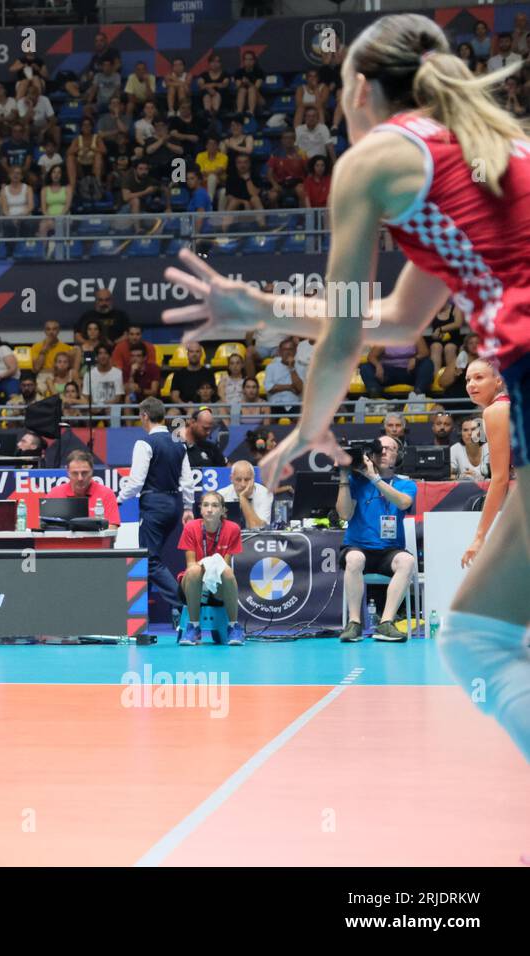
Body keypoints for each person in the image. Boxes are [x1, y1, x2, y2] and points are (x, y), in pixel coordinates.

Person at [163, 17, 530, 754]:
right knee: (478, 637)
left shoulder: (376, 160)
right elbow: (393, 320)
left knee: (479, 641)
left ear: (359, 88)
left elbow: (343, 335)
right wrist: (263, 309)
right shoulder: (486, 155)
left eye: (337, 90)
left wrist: (309, 426)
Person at [116, 398, 194, 621]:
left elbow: (136, 482)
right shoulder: (179, 443)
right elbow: (187, 481)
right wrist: (187, 507)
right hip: (174, 506)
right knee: (152, 558)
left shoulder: (144, 443)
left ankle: (183, 604)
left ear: (144, 416)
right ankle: (137, 614)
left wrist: (118, 499)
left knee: (148, 559)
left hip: (154, 505)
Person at [334, 436, 417, 642]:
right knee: (354, 559)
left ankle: (385, 623)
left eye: (391, 449)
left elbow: (404, 502)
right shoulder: (356, 481)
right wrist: (344, 477)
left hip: (389, 551)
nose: (384, 452)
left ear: (399, 456)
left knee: (407, 561)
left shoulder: (405, 484)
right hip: (358, 546)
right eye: (380, 448)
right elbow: (344, 514)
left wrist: (375, 479)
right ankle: (354, 623)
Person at [459, 359, 512, 566]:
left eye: (479, 378)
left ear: (498, 381)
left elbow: (500, 480)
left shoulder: (496, 410)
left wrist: (480, 536)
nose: (471, 384)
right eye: (468, 379)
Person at [177, 490, 246, 646]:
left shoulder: (233, 529)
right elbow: (190, 565)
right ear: (200, 509)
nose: (209, 509)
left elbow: (225, 566)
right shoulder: (190, 528)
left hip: (218, 588)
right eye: (206, 505)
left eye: (215, 505)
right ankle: (193, 627)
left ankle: (233, 627)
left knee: (227, 572)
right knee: (194, 570)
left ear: (222, 510)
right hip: (193, 585)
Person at [46, 450, 119, 524]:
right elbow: (46, 527)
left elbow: (112, 528)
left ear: (92, 471)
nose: (80, 478)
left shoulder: (106, 494)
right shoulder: (54, 494)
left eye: (84, 473)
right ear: (67, 472)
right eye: (75, 473)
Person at [219, 459, 272, 529]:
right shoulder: (221, 495)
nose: (243, 484)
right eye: (238, 480)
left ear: (253, 478)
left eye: (247, 479)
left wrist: (243, 498)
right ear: (231, 479)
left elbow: (260, 528)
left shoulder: (265, 494)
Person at [451, 411, 489, 481]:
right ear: (461, 434)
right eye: (465, 430)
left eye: (473, 429)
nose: (469, 433)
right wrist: (461, 477)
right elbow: (447, 475)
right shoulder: (455, 449)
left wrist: (479, 478)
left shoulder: (489, 448)